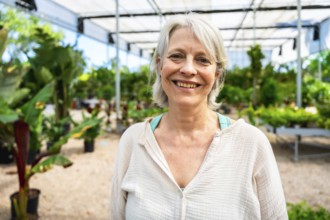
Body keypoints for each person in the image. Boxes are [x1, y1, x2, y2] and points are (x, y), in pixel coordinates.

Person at [110, 13, 288, 220]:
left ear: (216, 74)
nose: (187, 69)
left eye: (203, 60)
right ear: (160, 65)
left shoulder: (250, 144)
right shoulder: (134, 141)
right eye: (176, 56)